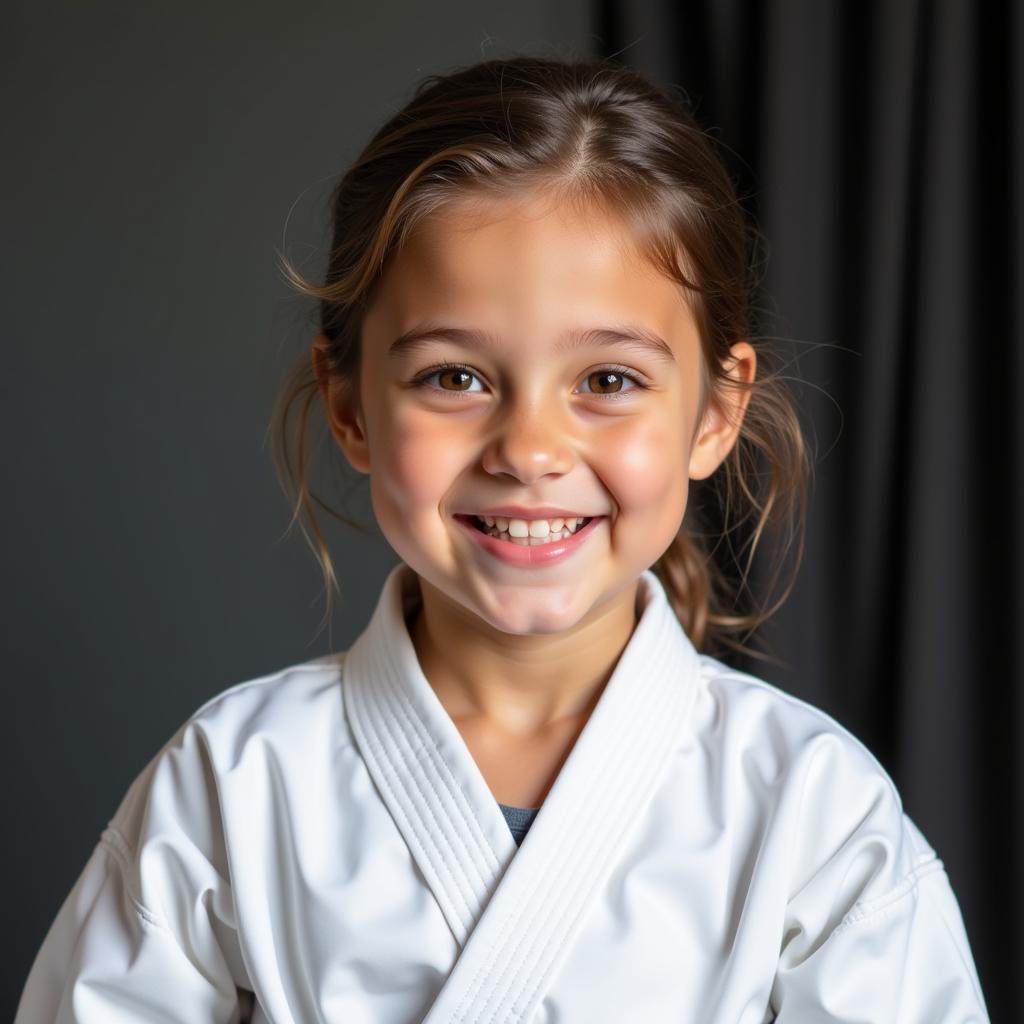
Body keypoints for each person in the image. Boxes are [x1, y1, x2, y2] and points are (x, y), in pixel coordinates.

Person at [16, 56, 989, 1023]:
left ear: (714, 412)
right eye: (454, 377)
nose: (529, 449)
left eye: (607, 380)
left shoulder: (814, 810)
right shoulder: (232, 783)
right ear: (349, 403)